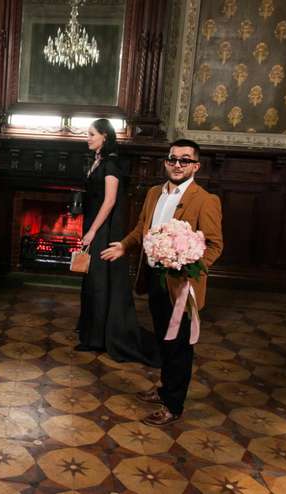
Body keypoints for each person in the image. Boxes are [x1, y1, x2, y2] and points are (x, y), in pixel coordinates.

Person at [102, 139, 223, 426]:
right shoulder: (154, 193)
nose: (177, 165)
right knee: (163, 341)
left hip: (182, 285)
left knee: (179, 347)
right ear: (166, 162)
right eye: (172, 159)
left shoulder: (205, 200)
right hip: (154, 278)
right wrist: (124, 246)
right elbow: (141, 229)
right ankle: (165, 389)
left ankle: (173, 405)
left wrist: (191, 267)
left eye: (185, 160)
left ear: (196, 166)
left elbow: (215, 245)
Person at [75, 119, 160, 367]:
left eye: (91, 134)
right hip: (94, 224)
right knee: (93, 280)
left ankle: (100, 338)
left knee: (100, 281)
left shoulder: (111, 164)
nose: (88, 138)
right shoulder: (98, 161)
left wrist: (92, 231)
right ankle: (92, 333)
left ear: (104, 136)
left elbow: (110, 201)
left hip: (104, 229)